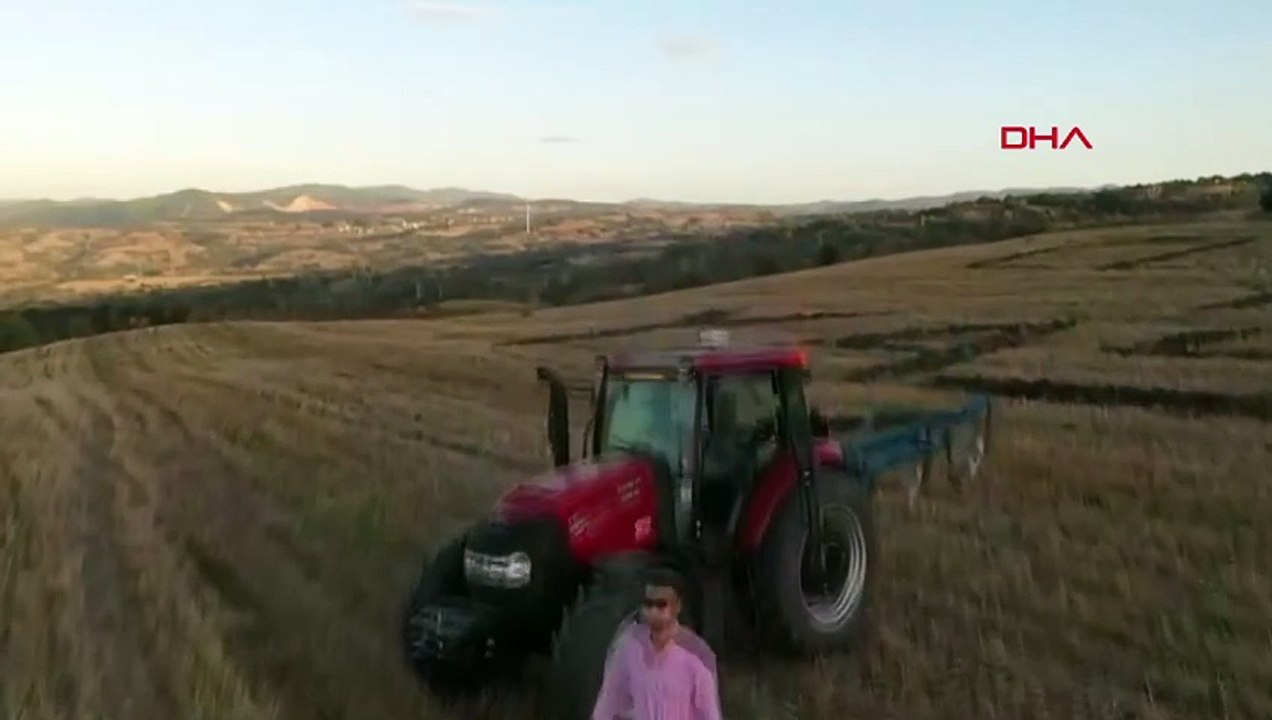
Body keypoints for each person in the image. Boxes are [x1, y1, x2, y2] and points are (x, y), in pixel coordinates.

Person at [591, 568, 723, 720]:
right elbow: (609, 701)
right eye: (648, 604)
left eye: (661, 605)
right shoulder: (629, 648)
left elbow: (710, 714)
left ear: (677, 606)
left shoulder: (696, 654)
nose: (653, 612)